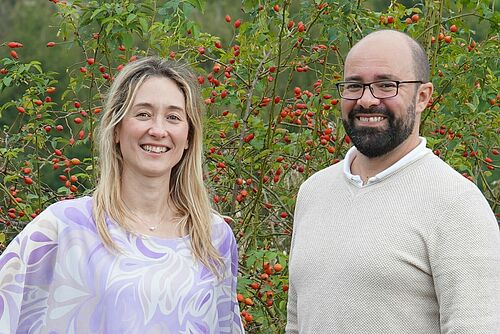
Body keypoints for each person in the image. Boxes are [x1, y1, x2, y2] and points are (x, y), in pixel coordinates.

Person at [0, 56, 244, 333]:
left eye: (173, 117)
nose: (158, 130)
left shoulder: (214, 236)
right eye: (143, 114)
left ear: (188, 136)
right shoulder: (64, 227)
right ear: (117, 128)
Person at [286, 30, 499, 333]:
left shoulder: (457, 204)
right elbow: (296, 323)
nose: (367, 100)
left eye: (386, 85)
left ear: (422, 97)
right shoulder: (314, 192)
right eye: (354, 85)